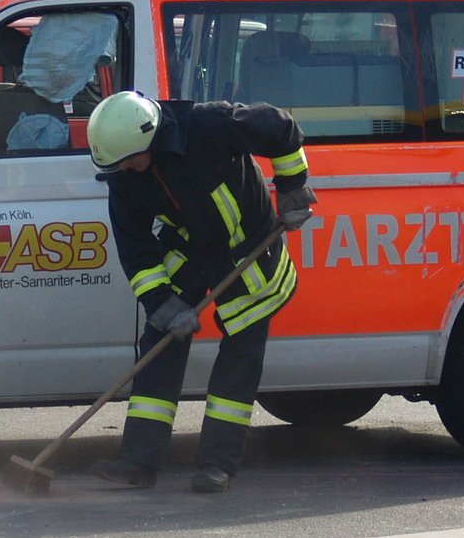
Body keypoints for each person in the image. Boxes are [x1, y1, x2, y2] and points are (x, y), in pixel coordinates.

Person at [86, 91, 316, 493]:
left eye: (128, 160)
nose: (125, 169)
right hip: (191, 247)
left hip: (250, 247)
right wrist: (163, 305)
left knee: (240, 355)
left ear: (149, 139)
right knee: (160, 340)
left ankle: (217, 465)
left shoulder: (210, 124)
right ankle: (138, 462)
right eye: (117, 164)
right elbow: (136, 250)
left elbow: (281, 128)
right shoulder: (125, 178)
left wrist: (292, 187)